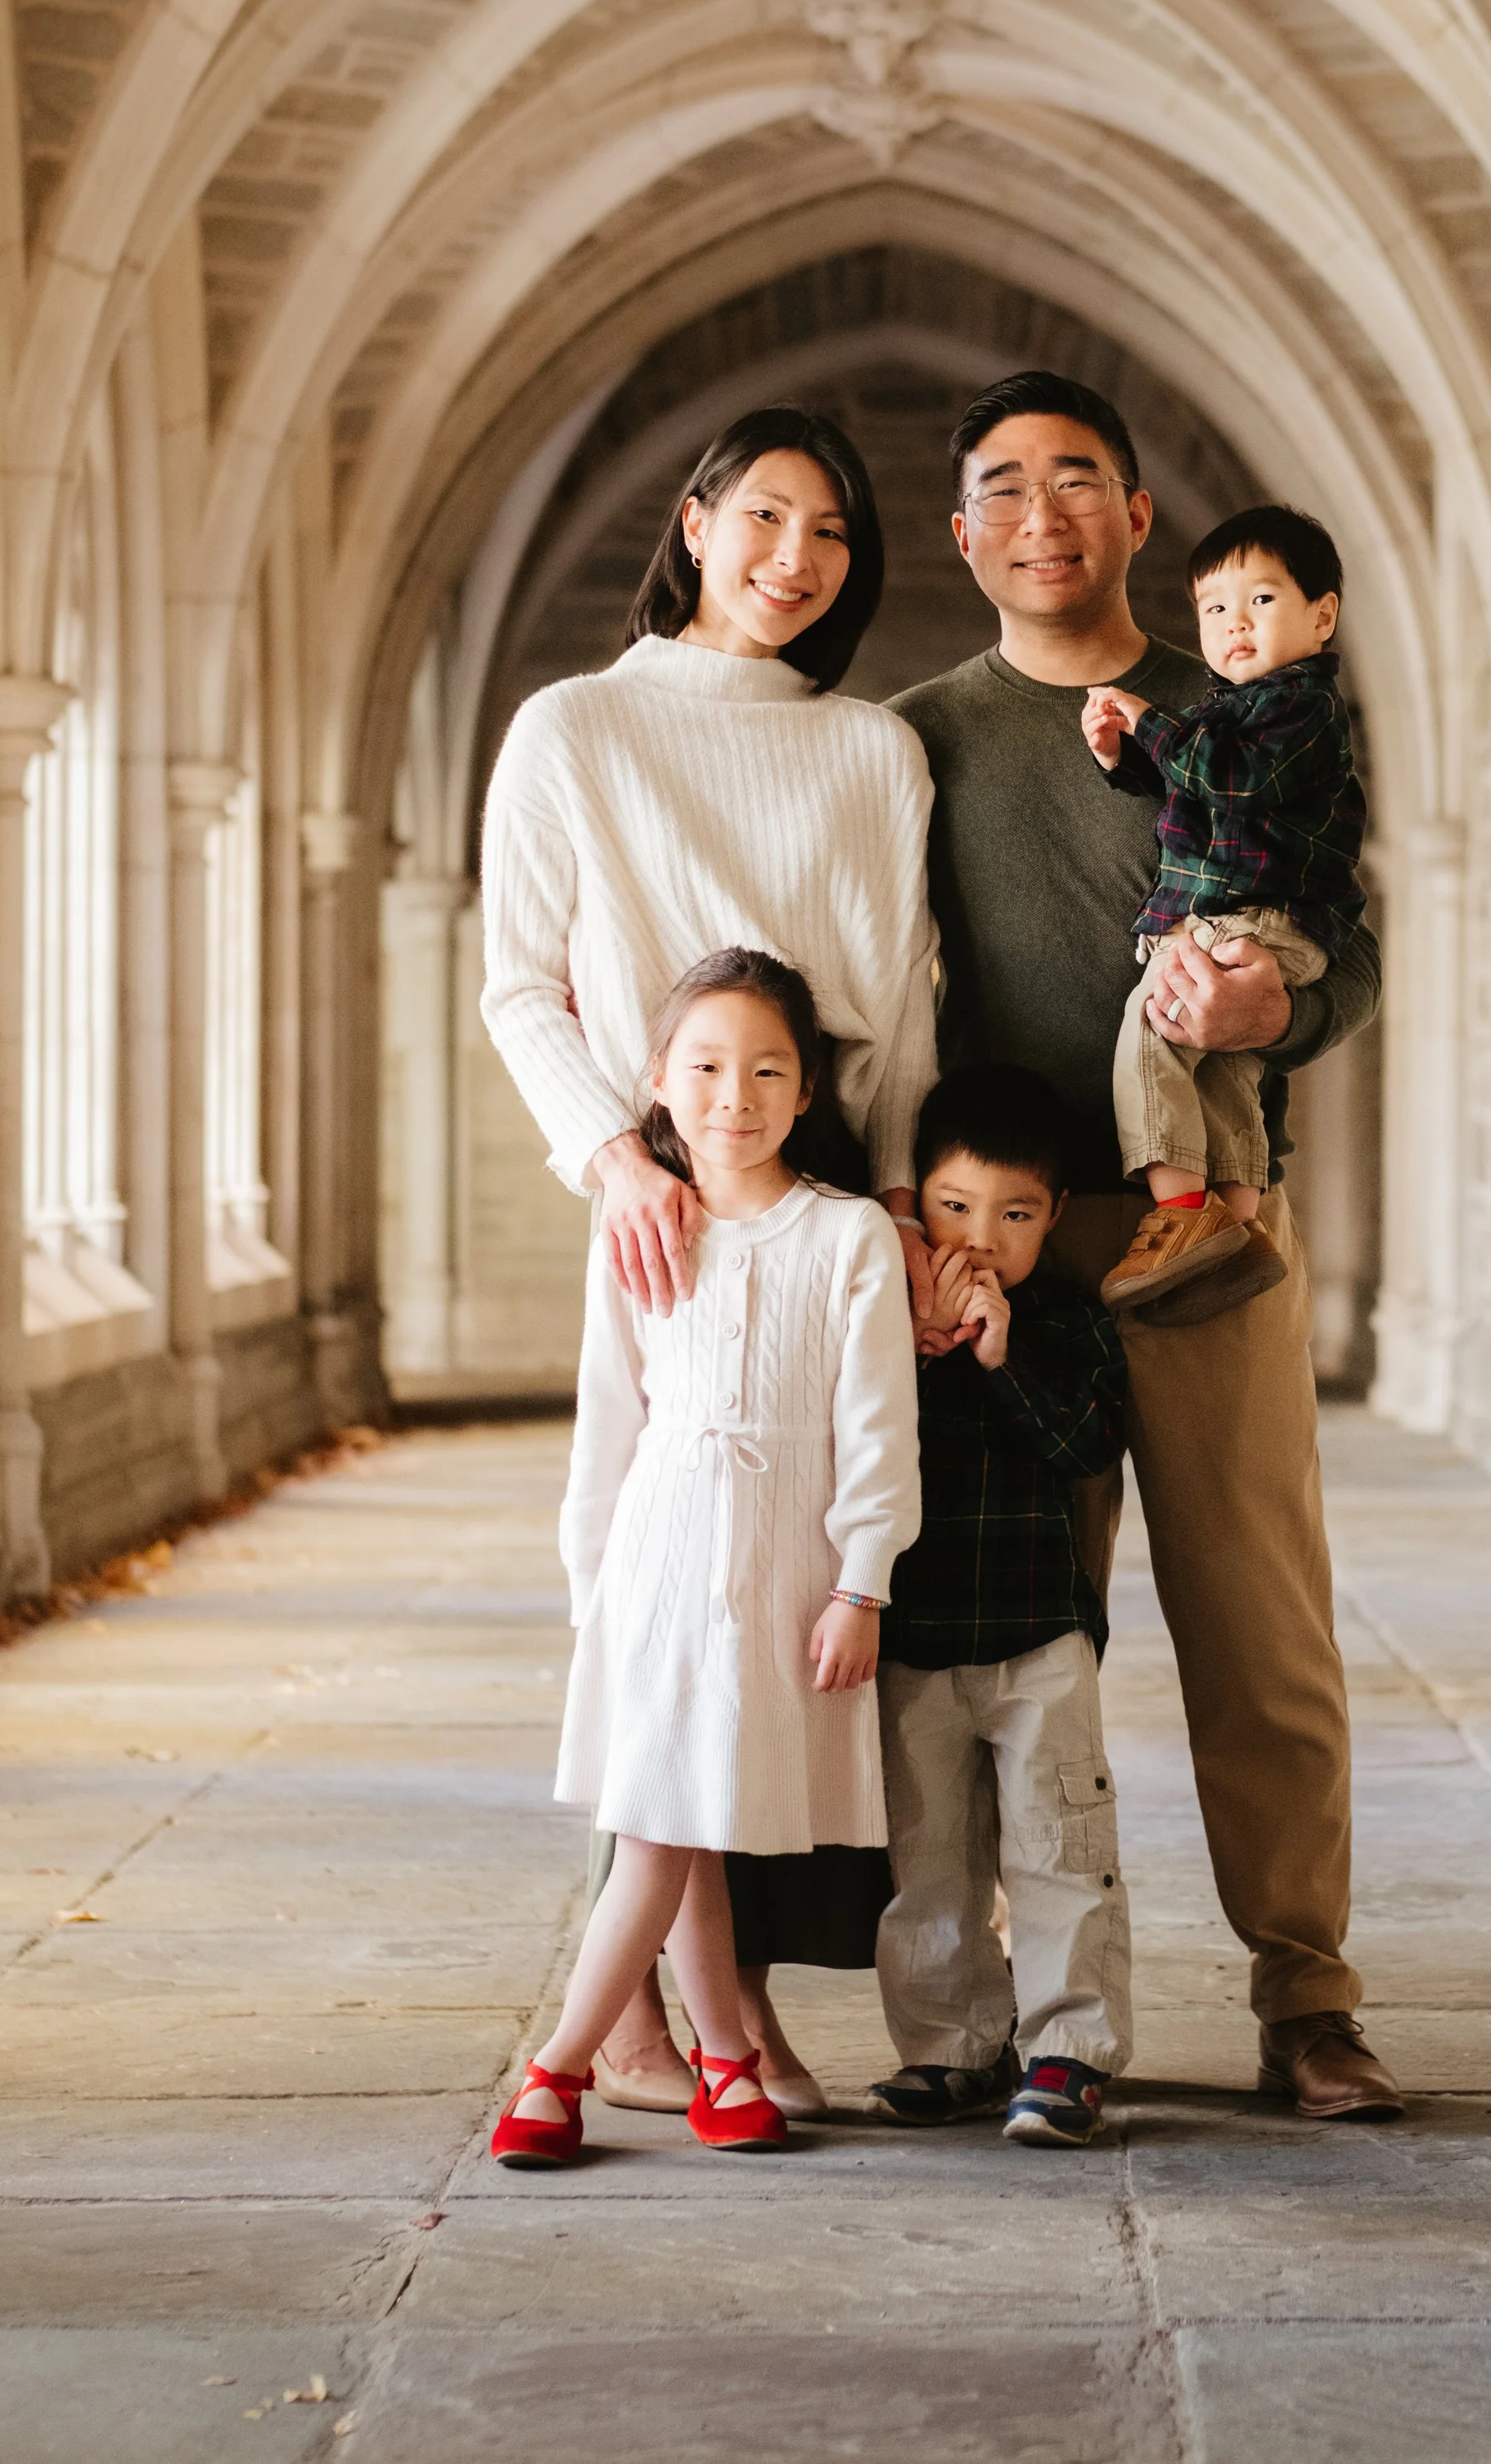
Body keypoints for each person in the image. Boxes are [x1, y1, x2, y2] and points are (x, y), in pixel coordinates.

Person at [890, 371, 1403, 2124]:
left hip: (1211, 1232)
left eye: (1077, 481)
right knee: (1018, 1649)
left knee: (1261, 1626)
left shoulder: (1243, 702)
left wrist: (1284, 1000)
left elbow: (1347, 942)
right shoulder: (916, 740)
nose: (1041, 515)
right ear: (964, 533)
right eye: (1003, 487)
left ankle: (1306, 1998)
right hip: (1005, 1252)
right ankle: (1027, 2019)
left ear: (1135, 516)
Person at [479, 407, 938, 2119]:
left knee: (792, 1602)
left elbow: (902, 1008)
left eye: (830, 532)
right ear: (693, 521)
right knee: (670, 1585)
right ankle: (669, 2022)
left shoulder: (871, 751)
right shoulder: (573, 728)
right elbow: (519, 982)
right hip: (661, 1188)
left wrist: (902, 1200)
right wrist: (614, 1157)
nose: (792, 558)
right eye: (762, 516)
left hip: (823, 1191)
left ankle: (729, 2010)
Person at [489, 952, 922, 2168]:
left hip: (783, 1567)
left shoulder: (845, 1234)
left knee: (694, 1811)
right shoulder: (636, 1227)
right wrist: (593, 1589)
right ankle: (564, 2067)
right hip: (657, 1558)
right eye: (708, 1067)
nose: (736, 1096)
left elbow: (879, 1430)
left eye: (768, 1070)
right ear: (657, 1080)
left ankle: (716, 2059)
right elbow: (607, 1421)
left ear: (807, 1089)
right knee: (664, 1818)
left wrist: (863, 1580)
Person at [865, 1064, 1131, 2149]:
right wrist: (917, 1348)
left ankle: (1069, 2049)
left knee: (1059, 1840)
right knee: (929, 1855)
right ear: (912, 1204)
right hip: (916, 1637)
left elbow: (1087, 1448)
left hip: (1038, 1636)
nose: (982, 1238)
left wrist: (1003, 1355)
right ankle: (952, 2045)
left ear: (1054, 1215)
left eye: (1015, 1214)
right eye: (954, 1207)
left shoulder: (1067, 1324)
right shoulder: (884, 1329)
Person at [1083, 503, 1365, 1316]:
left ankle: (1179, 1214)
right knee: (1227, 1070)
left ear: (1322, 616)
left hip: (1250, 918)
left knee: (1154, 1025)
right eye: (1213, 608)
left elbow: (1231, 784)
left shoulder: (1300, 706)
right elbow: (1195, 791)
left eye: (1260, 600)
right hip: (1258, 921)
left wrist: (1147, 719)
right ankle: (1236, 1227)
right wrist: (1122, 758)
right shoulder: (1232, 713)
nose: (1233, 622)